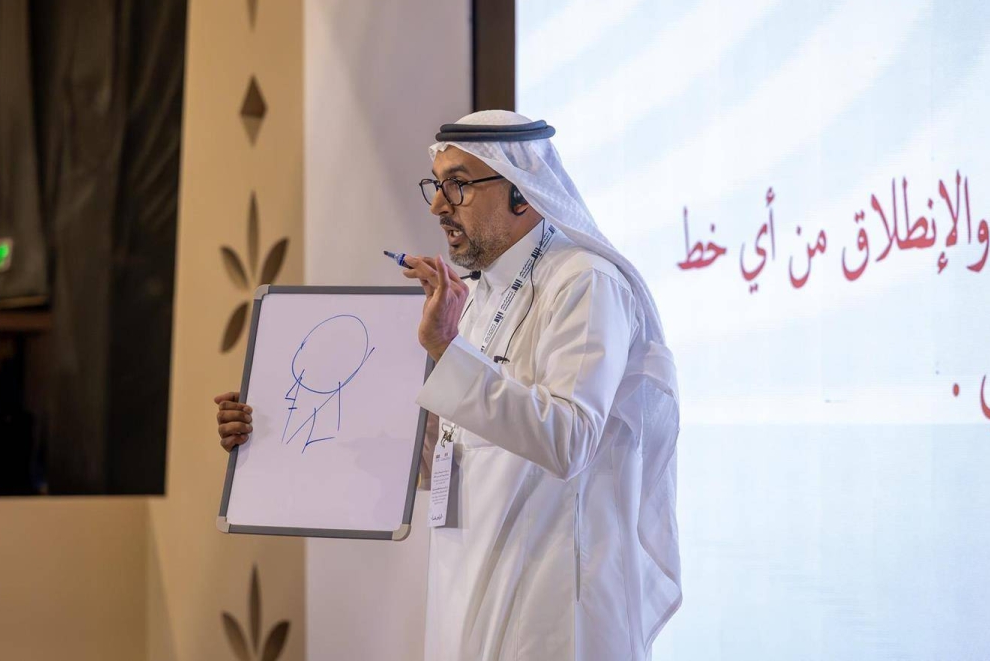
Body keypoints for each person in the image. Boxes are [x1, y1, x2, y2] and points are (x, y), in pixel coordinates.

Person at [216, 110, 681, 660]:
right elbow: (456, 455)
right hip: (467, 585)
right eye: (436, 186)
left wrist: (445, 349)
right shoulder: (478, 297)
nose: (438, 206)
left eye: (458, 185)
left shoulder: (585, 282)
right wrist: (272, 432)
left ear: (521, 191)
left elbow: (569, 439)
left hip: (552, 603)